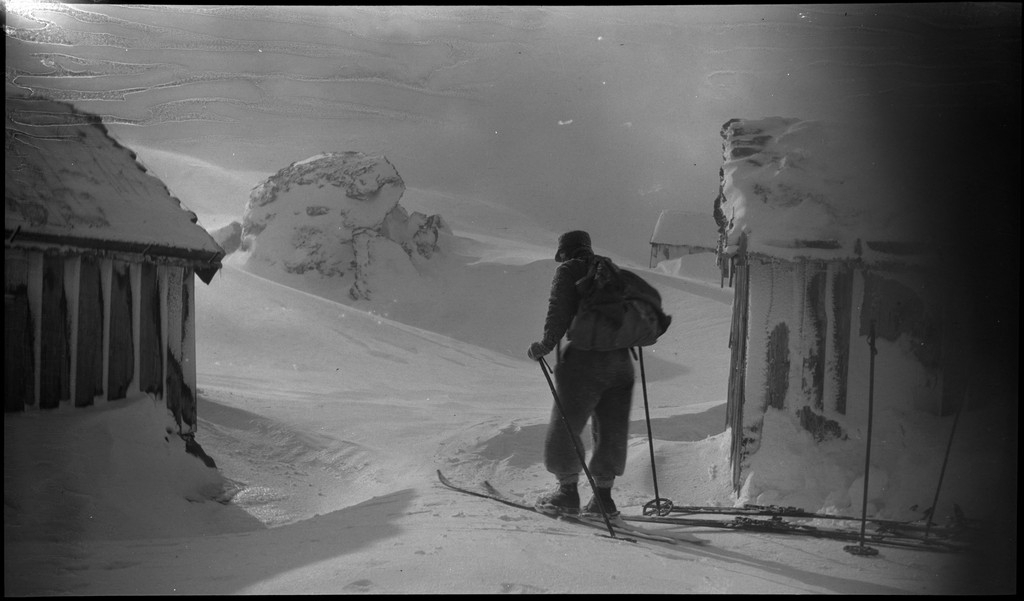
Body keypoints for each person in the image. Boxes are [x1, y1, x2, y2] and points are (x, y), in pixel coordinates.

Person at [527, 230, 635, 518]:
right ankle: (603, 499)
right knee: (611, 427)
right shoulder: (612, 270)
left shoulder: (568, 270)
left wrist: (545, 345)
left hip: (584, 359)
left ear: (564, 253)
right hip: (621, 359)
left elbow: (558, 311)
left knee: (567, 423)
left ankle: (567, 493)